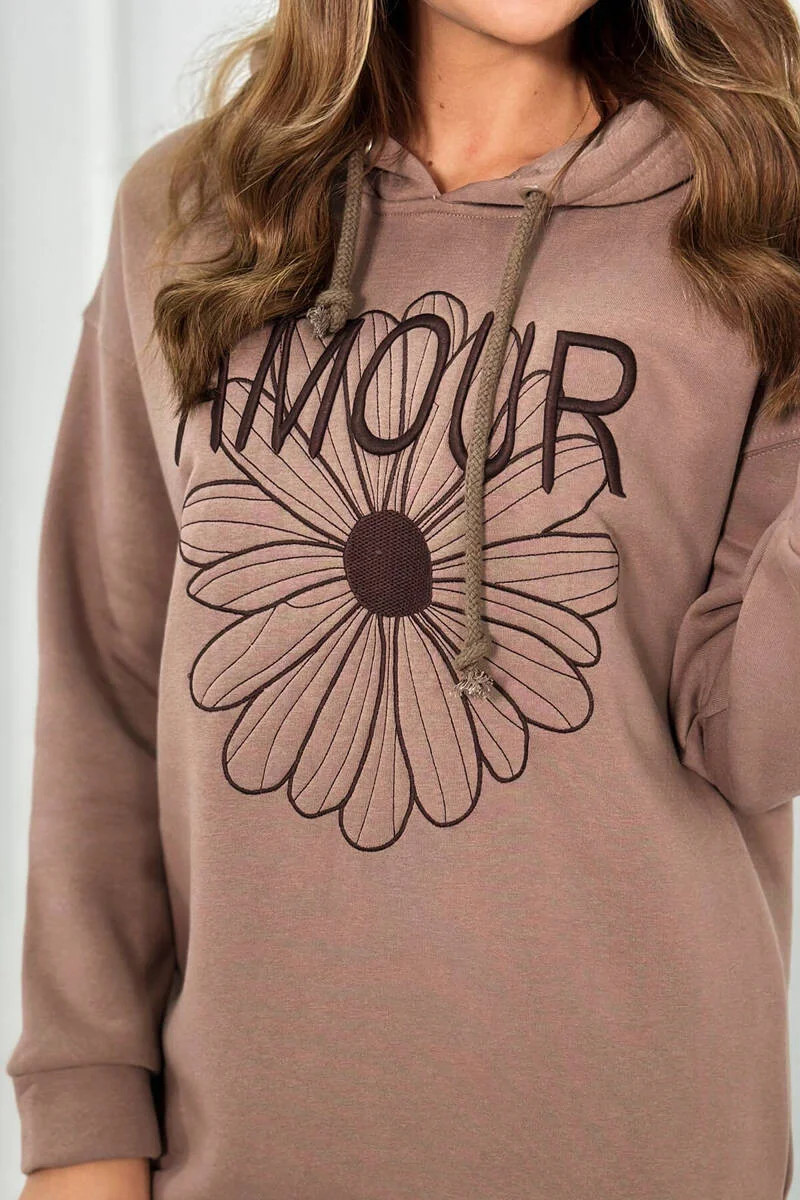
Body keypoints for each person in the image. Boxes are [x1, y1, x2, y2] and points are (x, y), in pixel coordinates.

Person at [8, 0, 800, 1196]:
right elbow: (106, 699)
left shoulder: (753, 230)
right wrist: (82, 1129)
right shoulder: (193, 213)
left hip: (644, 1148)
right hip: (246, 1156)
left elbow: (754, 742)